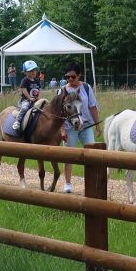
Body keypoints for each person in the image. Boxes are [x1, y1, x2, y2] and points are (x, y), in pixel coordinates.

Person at [59, 61, 100, 193]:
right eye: (67, 77)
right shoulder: (62, 90)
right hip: (69, 127)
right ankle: (67, 183)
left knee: (92, 154)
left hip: (86, 125)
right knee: (68, 155)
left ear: (79, 75)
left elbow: (92, 107)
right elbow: (59, 112)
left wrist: (97, 125)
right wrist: (62, 129)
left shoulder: (86, 88)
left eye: (73, 76)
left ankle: (92, 182)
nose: (70, 79)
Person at [13, 60, 42, 131]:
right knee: (25, 108)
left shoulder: (37, 80)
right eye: (31, 70)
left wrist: (39, 97)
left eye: (35, 70)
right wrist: (30, 98)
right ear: (25, 72)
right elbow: (24, 90)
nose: (34, 72)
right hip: (26, 100)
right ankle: (18, 121)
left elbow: (39, 89)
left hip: (36, 99)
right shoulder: (24, 80)